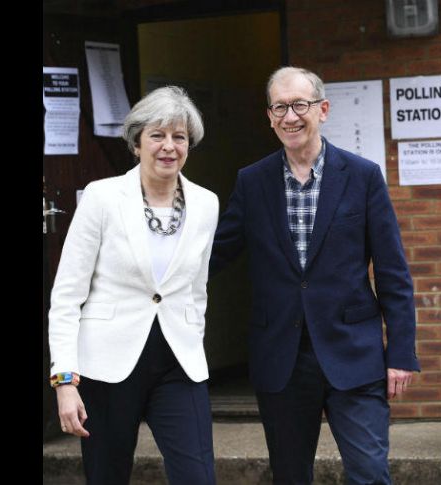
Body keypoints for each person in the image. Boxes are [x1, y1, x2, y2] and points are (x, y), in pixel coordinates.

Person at [210, 66, 420, 485]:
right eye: (280, 107)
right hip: (281, 358)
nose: (291, 116)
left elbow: (393, 271)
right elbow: (214, 254)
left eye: (300, 105)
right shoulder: (252, 182)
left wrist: (400, 353)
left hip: (354, 353)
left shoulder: (362, 176)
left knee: (370, 473)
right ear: (269, 117)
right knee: (290, 476)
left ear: (322, 109)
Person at [48, 86, 219, 484]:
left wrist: (194, 335)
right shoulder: (102, 197)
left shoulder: (206, 203)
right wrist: (65, 381)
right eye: (157, 135)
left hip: (179, 363)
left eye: (179, 137)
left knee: (198, 475)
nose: (169, 146)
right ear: (136, 142)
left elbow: (198, 288)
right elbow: (67, 296)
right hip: (107, 366)